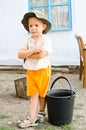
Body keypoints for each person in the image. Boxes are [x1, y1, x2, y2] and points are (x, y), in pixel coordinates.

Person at [17, 10, 52, 128]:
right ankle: (32, 118)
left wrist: (27, 54)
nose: (33, 28)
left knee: (42, 94)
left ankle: (41, 113)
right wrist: (32, 51)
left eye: (36, 25)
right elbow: (19, 54)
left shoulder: (46, 40)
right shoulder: (28, 41)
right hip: (31, 71)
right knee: (33, 94)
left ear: (43, 26)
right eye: (30, 25)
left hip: (43, 70)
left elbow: (40, 56)